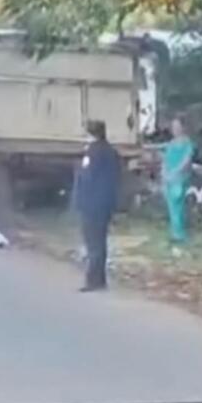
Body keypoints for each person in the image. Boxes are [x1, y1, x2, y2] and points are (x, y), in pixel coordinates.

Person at [72, 120, 121, 292]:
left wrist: (78, 199)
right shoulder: (112, 152)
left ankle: (93, 280)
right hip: (106, 202)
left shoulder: (92, 152)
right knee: (101, 241)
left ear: (91, 134)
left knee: (92, 242)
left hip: (91, 202)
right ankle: (100, 279)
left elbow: (86, 177)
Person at [154, 115, 195, 248]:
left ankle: (180, 234)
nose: (175, 129)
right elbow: (165, 160)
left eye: (177, 127)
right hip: (168, 178)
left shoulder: (187, 143)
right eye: (173, 127)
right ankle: (174, 232)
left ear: (183, 127)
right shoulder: (171, 143)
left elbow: (186, 161)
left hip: (180, 178)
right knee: (171, 206)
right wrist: (164, 173)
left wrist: (176, 172)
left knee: (178, 204)